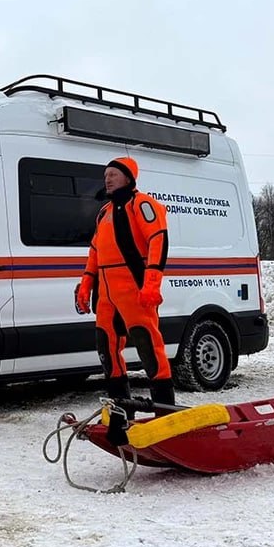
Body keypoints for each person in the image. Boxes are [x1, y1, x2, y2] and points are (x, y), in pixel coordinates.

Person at [74, 157, 175, 413]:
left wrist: (152, 282)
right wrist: (86, 284)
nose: (107, 179)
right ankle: (121, 411)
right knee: (106, 350)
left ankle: (164, 411)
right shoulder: (104, 212)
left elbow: (158, 239)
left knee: (148, 347)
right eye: (105, 175)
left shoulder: (141, 204)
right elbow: (95, 251)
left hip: (134, 289)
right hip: (106, 294)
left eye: (113, 174)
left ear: (128, 178)